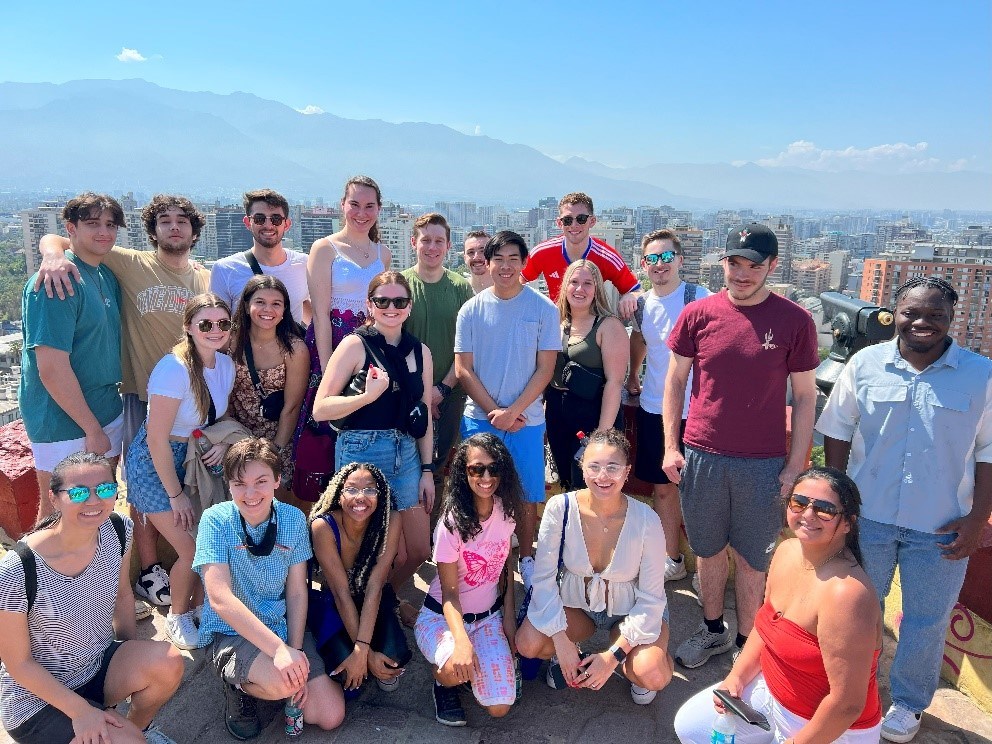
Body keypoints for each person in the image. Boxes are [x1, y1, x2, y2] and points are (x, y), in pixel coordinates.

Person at [816, 276, 992, 743]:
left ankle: (909, 704)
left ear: (952, 317)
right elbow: (836, 427)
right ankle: (852, 689)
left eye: (936, 314)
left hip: (941, 526)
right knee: (856, 611)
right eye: (913, 312)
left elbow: (989, 451)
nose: (923, 323)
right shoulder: (866, 363)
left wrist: (978, 521)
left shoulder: (981, 375)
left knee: (926, 620)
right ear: (896, 312)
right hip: (868, 517)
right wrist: (839, 498)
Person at [36, 194, 211, 613]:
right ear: (152, 232)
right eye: (164, 221)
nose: (174, 227)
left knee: (181, 482)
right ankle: (149, 569)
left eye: (182, 221)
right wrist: (51, 255)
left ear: (194, 231)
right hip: (141, 396)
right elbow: (68, 241)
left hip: (190, 399)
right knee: (140, 489)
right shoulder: (131, 264)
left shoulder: (204, 278)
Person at [662, 223, 819, 668]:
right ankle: (712, 630)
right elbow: (675, 381)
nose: (742, 273)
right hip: (702, 453)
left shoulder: (795, 321)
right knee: (708, 552)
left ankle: (749, 643)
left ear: (772, 266)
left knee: (753, 559)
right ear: (722, 262)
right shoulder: (698, 314)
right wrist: (671, 447)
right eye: (734, 263)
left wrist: (795, 466)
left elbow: (806, 397)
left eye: (754, 264)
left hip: (764, 462)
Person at [673, 467, 883, 743]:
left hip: (829, 728)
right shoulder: (786, 552)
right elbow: (766, 625)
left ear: (847, 523)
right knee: (690, 727)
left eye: (825, 509)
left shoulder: (847, 594)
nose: (808, 515)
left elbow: (847, 705)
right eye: (799, 502)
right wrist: (736, 678)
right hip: (770, 696)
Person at [0, 452, 183, 744]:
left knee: (169, 662)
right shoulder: (18, 568)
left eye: (106, 489)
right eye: (79, 492)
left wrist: (127, 651)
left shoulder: (118, 529)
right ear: (55, 497)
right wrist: (80, 711)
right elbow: (18, 664)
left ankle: (134, 729)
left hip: (93, 666)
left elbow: (123, 596)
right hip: (37, 700)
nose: (94, 501)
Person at [194, 438, 344, 740]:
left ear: (277, 480)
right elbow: (220, 599)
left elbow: (298, 591)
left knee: (330, 715)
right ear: (228, 485)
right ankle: (239, 686)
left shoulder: (292, 518)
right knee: (285, 683)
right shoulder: (214, 521)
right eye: (239, 484)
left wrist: (295, 649)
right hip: (231, 630)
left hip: (278, 625)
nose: (250, 494)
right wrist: (279, 652)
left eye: (261, 481)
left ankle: (273, 682)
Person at [516, 428, 674, 706]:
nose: (603, 476)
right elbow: (543, 580)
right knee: (528, 643)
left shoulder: (647, 519)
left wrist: (610, 658)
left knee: (653, 675)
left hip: (631, 611)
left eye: (613, 467)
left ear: (627, 471)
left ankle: (631, 663)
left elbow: (651, 600)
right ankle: (571, 652)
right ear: (583, 468)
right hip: (577, 608)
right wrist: (561, 641)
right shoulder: (559, 508)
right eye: (595, 467)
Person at [311, 271, 434, 625]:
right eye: (382, 301)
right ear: (370, 305)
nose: (390, 308)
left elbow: (423, 415)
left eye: (398, 301)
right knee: (361, 550)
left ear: (409, 307)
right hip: (361, 452)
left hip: (406, 453)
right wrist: (365, 397)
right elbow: (321, 408)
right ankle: (362, 616)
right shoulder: (354, 345)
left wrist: (427, 470)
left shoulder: (419, 352)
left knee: (418, 550)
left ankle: (380, 600)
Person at [126, 293, 237, 651]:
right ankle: (177, 615)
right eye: (205, 323)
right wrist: (175, 496)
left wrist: (223, 443)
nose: (215, 330)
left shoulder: (225, 366)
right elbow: (157, 439)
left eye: (223, 323)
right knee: (190, 548)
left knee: (209, 537)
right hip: (154, 463)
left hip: (191, 456)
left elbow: (211, 420)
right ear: (188, 327)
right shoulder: (173, 369)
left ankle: (205, 606)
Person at [455, 230, 560, 593]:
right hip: (479, 419)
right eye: (498, 259)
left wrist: (513, 411)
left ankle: (526, 560)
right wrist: (495, 412)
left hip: (526, 421)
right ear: (488, 262)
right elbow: (463, 369)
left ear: (523, 263)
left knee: (528, 494)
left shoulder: (543, 309)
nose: (505, 266)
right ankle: (479, 558)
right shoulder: (471, 309)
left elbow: (545, 369)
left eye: (513, 259)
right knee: (478, 491)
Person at [19, 193, 124, 521]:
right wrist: (91, 428)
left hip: (106, 409)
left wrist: (53, 246)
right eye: (92, 224)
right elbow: (50, 368)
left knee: (97, 512)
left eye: (110, 225)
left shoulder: (103, 273)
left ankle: (93, 573)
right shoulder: (56, 282)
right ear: (71, 227)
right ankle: (35, 574)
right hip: (65, 421)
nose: (103, 232)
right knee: (56, 516)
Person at [415, 433, 523, 727]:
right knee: (455, 667)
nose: (486, 477)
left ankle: (472, 668)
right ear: (464, 472)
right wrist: (461, 642)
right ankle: (443, 683)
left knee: (499, 707)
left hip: (489, 618)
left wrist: (509, 620)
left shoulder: (507, 510)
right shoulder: (451, 523)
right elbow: (449, 593)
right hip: (442, 618)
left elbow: (503, 566)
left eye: (493, 468)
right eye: (477, 469)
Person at [626, 230, 711, 582]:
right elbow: (641, 339)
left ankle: (708, 569)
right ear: (643, 265)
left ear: (679, 260)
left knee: (703, 493)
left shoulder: (699, 298)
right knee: (664, 488)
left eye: (666, 258)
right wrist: (633, 375)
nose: (659, 265)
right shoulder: (643, 305)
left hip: (698, 411)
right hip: (654, 408)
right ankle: (671, 559)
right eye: (651, 259)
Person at [308, 463, 411, 696]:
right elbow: (340, 593)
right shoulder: (323, 526)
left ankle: (371, 654)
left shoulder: (391, 520)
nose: (360, 498)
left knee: (395, 659)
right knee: (348, 680)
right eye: (352, 489)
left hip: (371, 596)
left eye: (370, 490)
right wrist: (362, 652)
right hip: (334, 603)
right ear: (339, 493)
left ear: (380, 494)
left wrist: (363, 650)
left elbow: (375, 586)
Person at [401, 213, 475, 488]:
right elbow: (393, 342)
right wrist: (421, 394)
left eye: (438, 241)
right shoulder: (400, 285)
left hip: (450, 392)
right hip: (407, 393)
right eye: (426, 240)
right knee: (408, 464)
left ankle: (438, 529)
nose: (432, 247)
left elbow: (468, 345)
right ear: (413, 243)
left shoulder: (459, 287)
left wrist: (441, 389)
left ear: (447, 246)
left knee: (442, 466)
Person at [545, 260, 629, 490]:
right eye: (573, 282)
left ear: (597, 289)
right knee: (567, 483)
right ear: (564, 286)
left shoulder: (608, 326)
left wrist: (602, 436)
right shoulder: (556, 322)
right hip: (557, 414)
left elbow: (614, 383)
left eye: (587, 284)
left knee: (592, 485)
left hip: (592, 414)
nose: (579, 289)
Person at [228, 275, 308, 486]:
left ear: (284, 311)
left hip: (278, 439)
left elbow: (292, 407)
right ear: (246, 307)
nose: (268, 310)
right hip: (236, 436)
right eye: (260, 302)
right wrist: (232, 440)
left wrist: (274, 454)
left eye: (276, 304)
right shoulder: (229, 342)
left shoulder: (294, 349)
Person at [522, 192, 641, 317]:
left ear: (592, 221)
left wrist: (630, 296)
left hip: (593, 326)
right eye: (567, 220)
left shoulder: (607, 257)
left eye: (581, 219)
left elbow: (635, 290)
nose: (574, 225)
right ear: (559, 223)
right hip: (555, 323)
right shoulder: (542, 252)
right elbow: (518, 282)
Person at [209, 189, 311, 326]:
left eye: (276, 219)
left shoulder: (306, 265)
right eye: (259, 219)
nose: (268, 225)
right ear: (247, 222)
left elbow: (313, 313)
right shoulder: (225, 269)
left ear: (286, 224)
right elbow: (217, 324)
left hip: (292, 347)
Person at [462, 230, 493, 294]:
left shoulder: (509, 291)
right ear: (465, 258)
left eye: (482, 251)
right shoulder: (458, 291)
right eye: (471, 252)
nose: (476, 257)